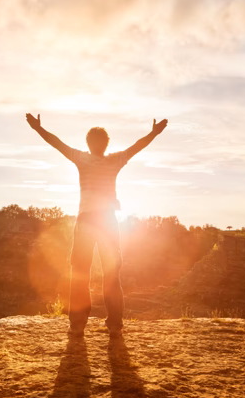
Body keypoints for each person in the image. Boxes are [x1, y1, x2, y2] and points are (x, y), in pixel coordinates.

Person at [25, 113, 168, 337]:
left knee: (80, 272)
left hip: (87, 221)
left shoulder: (81, 159)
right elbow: (137, 146)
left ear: (88, 144)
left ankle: (77, 325)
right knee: (112, 275)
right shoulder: (115, 160)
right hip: (108, 221)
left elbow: (57, 143)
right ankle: (115, 326)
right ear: (106, 144)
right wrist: (154, 133)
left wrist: (37, 128)